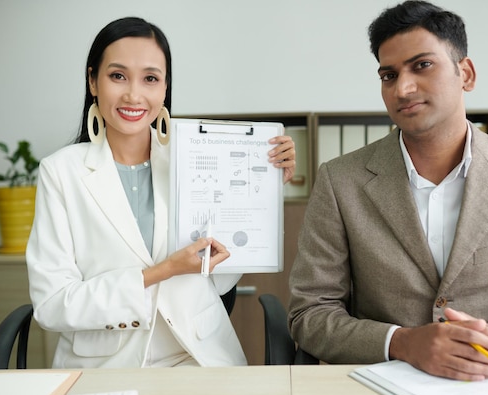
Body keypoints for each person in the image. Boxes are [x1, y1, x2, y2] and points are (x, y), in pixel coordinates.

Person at [288, 0, 488, 381]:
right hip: (383, 384)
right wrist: (402, 342)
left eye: (422, 65)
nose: (403, 88)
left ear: (466, 74)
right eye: (388, 75)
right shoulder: (341, 180)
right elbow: (309, 313)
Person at [26, 17, 296, 368]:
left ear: (165, 88)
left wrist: (259, 198)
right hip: (106, 366)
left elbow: (218, 279)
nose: (133, 95)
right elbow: (52, 304)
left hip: (197, 358)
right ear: (93, 81)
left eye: (150, 79)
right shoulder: (60, 172)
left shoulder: (197, 158)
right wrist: (161, 271)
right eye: (117, 76)